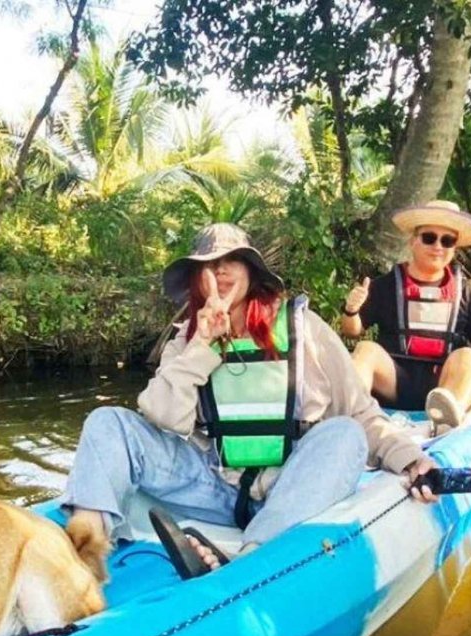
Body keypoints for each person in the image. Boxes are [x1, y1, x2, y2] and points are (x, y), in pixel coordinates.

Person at [62, 223, 441, 580]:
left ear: (251, 272)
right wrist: (202, 345)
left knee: (344, 433)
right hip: (215, 486)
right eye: (208, 265)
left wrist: (409, 459)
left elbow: (360, 412)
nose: (220, 270)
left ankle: (250, 560)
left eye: (231, 261)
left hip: (291, 489)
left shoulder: (304, 329)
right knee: (107, 421)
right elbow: (162, 415)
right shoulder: (187, 340)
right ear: (197, 279)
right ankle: (84, 554)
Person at [339, 199, 471, 432]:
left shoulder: (466, 292)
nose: (438, 246)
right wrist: (352, 310)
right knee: (366, 349)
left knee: (468, 354)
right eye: (429, 237)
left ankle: (447, 419)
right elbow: (352, 330)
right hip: (394, 381)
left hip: (443, 385)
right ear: (413, 241)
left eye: (447, 241)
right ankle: (348, 419)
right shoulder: (385, 286)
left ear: (454, 248)